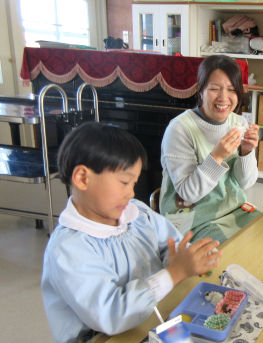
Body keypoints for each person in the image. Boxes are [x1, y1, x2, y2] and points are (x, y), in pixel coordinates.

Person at [41, 122, 222, 343]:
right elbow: (110, 314)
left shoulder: (137, 214)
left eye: (133, 183)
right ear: (82, 178)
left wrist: (181, 258)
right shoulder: (68, 249)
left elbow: (169, 244)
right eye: (124, 182)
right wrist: (174, 273)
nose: (131, 192)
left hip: (154, 321)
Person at [159, 54, 260, 243]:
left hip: (232, 209)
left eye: (231, 90)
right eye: (214, 89)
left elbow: (245, 183)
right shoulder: (180, 128)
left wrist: (246, 152)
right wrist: (217, 156)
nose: (224, 98)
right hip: (192, 217)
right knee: (234, 255)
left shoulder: (237, 122)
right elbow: (187, 194)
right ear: (200, 90)